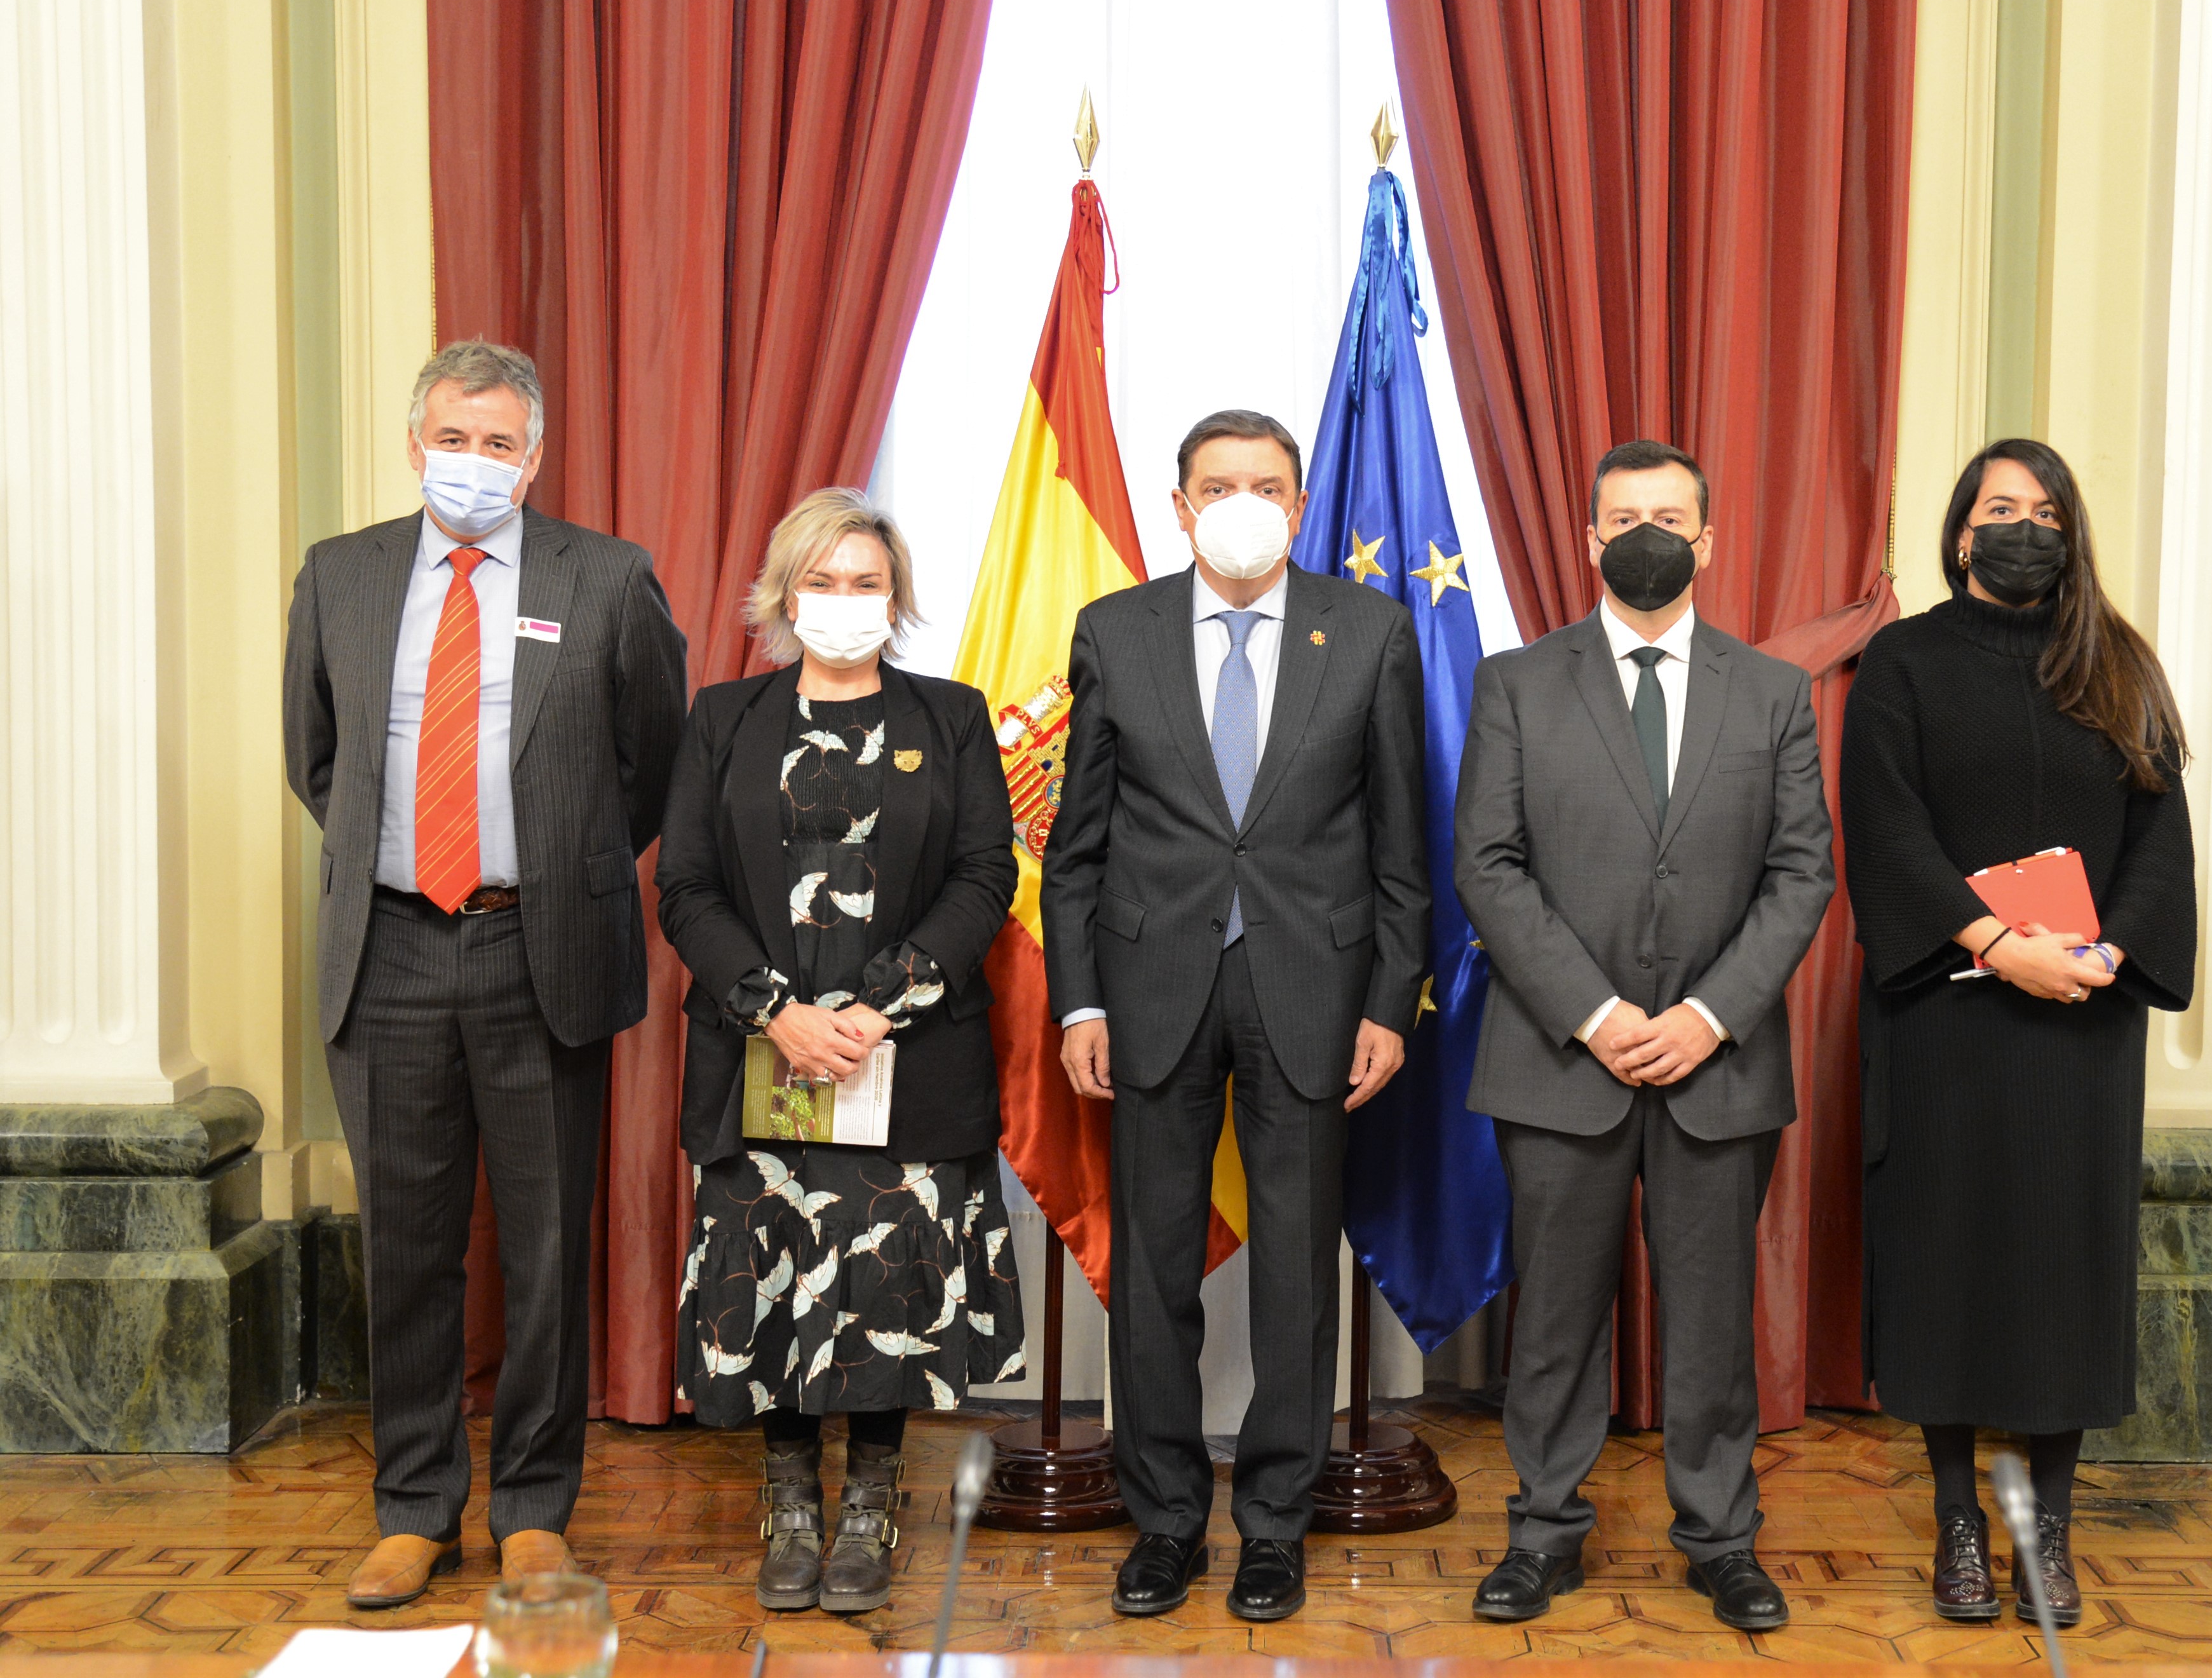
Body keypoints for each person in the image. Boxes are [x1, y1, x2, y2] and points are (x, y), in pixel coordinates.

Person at [283, 340, 689, 1606]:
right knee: (406, 1247)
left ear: (534, 455)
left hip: (539, 946)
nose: (473, 462)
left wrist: (552, 865)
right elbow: (316, 758)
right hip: (387, 946)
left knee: (545, 1245)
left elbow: (651, 762)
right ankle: (415, 1509)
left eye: (498, 443)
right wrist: (411, 862)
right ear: (415, 445)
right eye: (453, 439)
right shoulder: (341, 574)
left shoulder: (606, 577)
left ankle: (533, 1510)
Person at [1042, 408, 1428, 1622]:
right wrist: (1079, 1000)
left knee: (1297, 1277)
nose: (1244, 504)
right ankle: (1165, 1521)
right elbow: (1075, 848)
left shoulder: (1368, 630)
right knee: (1153, 1268)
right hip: (1151, 991)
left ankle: (1274, 1524)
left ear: (1300, 506)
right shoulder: (1116, 630)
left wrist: (1390, 1003)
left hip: (1312, 991)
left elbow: (1402, 847)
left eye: (1267, 485)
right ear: (1182, 507)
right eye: (1220, 486)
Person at [1453, 438, 1834, 1630]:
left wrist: (1710, 1018)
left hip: (1720, 1066)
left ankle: (1723, 1539)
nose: (1646, 537)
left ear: (1707, 540)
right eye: (1624, 519)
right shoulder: (1517, 683)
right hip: (1561, 1057)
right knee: (1556, 1318)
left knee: (1713, 1322)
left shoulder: (1771, 691)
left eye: (1669, 518)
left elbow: (1802, 872)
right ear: (1590, 540)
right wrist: (1602, 1014)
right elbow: (1488, 865)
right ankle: (1543, 1533)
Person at [1841, 438, 2195, 1627]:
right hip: (1945, 1015)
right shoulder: (1903, 661)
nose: (2024, 529)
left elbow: (2160, 843)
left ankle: (2049, 1526)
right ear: (1961, 533)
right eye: (2002, 508)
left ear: (2070, 535)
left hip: (2081, 1026)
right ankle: (1957, 1520)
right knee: (1945, 1264)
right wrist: (1999, 944)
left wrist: (2105, 954)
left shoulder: (2120, 665)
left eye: (2046, 513)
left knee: (2063, 1271)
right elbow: (1886, 829)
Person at [657, 492, 1025, 1615]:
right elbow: (686, 886)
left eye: (867, 583)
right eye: (823, 581)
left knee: (885, 1280)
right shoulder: (723, 718)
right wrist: (777, 1011)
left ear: (896, 598)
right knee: (770, 1267)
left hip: (904, 1055)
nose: (844, 601)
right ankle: (789, 1500)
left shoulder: (951, 719)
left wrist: (876, 1008)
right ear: (784, 594)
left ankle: (870, 1497)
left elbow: (985, 876)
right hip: (761, 1053)